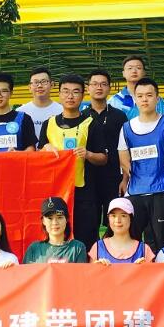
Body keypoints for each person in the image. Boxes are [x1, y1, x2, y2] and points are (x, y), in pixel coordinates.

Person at [20, 197, 95, 327]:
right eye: (50, 218)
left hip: (70, 307)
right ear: (43, 221)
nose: (55, 222)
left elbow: (81, 281)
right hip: (42, 307)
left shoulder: (77, 247)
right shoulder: (35, 249)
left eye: (59, 217)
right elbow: (26, 281)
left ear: (67, 220)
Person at [89, 197, 156, 327]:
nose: (118, 220)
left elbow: (156, 283)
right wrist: (97, 269)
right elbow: (89, 282)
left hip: (139, 308)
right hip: (110, 308)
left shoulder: (143, 249)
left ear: (131, 219)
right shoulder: (98, 248)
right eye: (113, 216)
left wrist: (145, 270)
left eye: (123, 216)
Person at [39, 74, 108, 250]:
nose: (70, 96)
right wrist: (45, 148)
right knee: (56, 236)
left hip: (84, 192)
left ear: (83, 95)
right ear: (59, 94)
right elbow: (38, 156)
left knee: (86, 237)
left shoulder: (91, 123)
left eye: (76, 92)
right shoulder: (49, 124)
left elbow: (103, 158)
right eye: (66, 91)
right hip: (56, 190)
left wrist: (88, 154)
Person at [117, 77, 164, 252]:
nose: (144, 99)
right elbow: (124, 160)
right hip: (135, 191)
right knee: (132, 241)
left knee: (161, 241)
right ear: (135, 99)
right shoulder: (126, 128)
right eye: (140, 96)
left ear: (157, 98)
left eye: (149, 95)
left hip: (162, 191)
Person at [84, 69, 128, 227]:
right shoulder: (82, 116)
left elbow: (126, 149)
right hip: (88, 179)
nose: (99, 87)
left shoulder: (119, 116)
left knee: (115, 223)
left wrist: (125, 178)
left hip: (114, 177)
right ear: (88, 88)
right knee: (89, 223)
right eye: (95, 84)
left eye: (103, 84)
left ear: (109, 88)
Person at [109, 54, 164, 119]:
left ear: (144, 72)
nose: (134, 71)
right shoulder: (114, 101)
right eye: (130, 68)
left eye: (138, 68)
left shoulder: (156, 99)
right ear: (123, 73)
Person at [17, 66, 63, 139]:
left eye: (44, 82)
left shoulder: (62, 111)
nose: (39, 86)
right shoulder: (20, 112)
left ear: (51, 85)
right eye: (36, 82)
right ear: (29, 87)